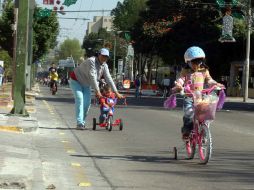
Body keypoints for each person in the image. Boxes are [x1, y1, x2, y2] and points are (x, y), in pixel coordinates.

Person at [172, 46, 224, 139]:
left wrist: (215, 84)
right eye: (195, 61)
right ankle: (186, 131)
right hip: (189, 97)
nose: (198, 64)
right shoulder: (185, 71)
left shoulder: (204, 71)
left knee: (206, 113)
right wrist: (178, 86)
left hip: (201, 97)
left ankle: (204, 131)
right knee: (188, 113)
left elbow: (209, 80)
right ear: (188, 62)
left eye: (200, 61)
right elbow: (181, 79)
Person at [69, 48, 123, 130]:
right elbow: (93, 77)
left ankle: (82, 122)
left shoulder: (105, 65)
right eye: (103, 55)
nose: (104, 58)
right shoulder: (91, 61)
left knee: (87, 103)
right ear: (99, 54)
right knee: (80, 99)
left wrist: (116, 92)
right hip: (76, 80)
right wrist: (98, 91)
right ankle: (79, 123)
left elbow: (109, 78)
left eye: (106, 57)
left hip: (86, 84)